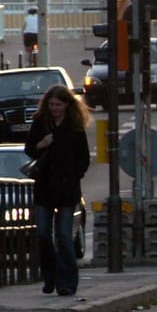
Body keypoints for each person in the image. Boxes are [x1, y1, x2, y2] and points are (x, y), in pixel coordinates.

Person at [24, 85, 91, 297]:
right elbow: (29, 149)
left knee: (63, 236)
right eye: (52, 104)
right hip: (44, 187)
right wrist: (42, 144)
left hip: (66, 190)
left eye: (58, 105)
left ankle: (67, 282)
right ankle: (49, 276)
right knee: (43, 234)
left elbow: (84, 158)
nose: (55, 109)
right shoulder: (40, 123)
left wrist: (73, 176)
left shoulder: (74, 126)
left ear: (67, 105)